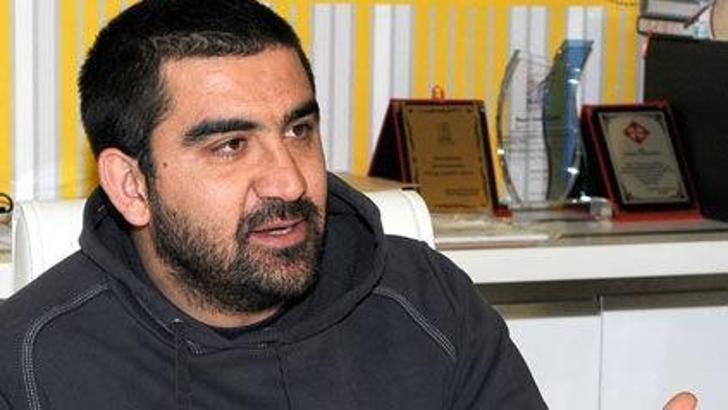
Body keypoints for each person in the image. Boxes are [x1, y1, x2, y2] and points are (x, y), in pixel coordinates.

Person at [0, 1, 699, 410]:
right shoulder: (29, 363)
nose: (288, 181)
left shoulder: (426, 303)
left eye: (298, 130)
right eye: (230, 146)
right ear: (131, 185)